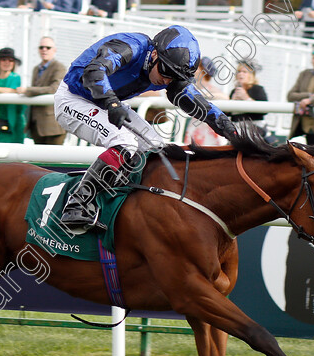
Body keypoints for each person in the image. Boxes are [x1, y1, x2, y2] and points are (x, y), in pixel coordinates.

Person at [53, 25, 237, 233]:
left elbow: (197, 103)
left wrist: (229, 129)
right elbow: (94, 71)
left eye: (173, 79)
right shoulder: (130, 46)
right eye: (166, 72)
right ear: (155, 54)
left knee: (158, 149)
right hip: (74, 99)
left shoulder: (168, 69)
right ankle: (77, 204)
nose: (166, 81)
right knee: (125, 143)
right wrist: (112, 103)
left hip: (106, 101)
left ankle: (127, 203)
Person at [17, 37, 67, 145]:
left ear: (54, 50)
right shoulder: (36, 69)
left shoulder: (59, 67)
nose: (44, 50)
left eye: (48, 47)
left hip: (53, 126)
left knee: (53, 160)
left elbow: (55, 88)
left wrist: (28, 90)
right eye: (41, 47)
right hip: (37, 125)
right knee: (38, 160)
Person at [183, 57, 229, 146]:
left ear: (203, 71)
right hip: (196, 126)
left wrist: (203, 96)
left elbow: (225, 98)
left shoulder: (212, 90)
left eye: (197, 68)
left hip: (209, 128)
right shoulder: (193, 88)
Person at [228, 60, 268, 136]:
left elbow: (264, 110)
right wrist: (232, 101)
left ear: (251, 75)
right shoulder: (234, 91)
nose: (240, 74)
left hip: (254, 129)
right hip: (236, 129)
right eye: (239, 72)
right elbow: (227, 113)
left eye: (244, 72)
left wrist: (246, 98)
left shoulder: (257, 89)